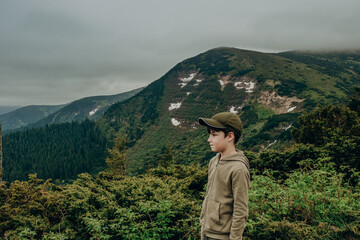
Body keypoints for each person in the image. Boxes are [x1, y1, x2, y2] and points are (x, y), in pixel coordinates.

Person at [199, 112, 250, 240]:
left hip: (222, 236)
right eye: (209, 134)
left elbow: (240, 210)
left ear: (230, 136)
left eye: (214, 135)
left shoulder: (238, 169)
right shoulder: (213, 161)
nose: (209, 139)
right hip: (206, 231)